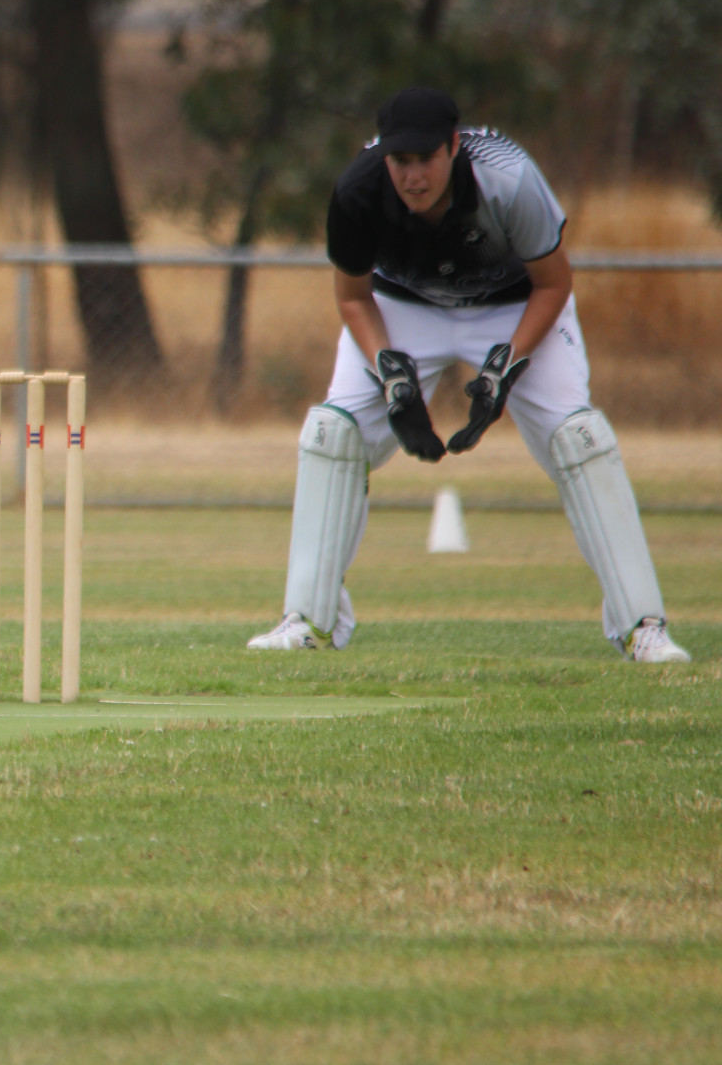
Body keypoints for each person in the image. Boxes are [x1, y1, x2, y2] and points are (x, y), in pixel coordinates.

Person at [248, 86, 692, 664]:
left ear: (453, 147)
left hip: (515, 303)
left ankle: (642, 627)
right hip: (401, 306)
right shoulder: (358, 191)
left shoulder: (508, 178)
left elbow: (554, 283)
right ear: (383, 155)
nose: (413, 176)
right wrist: (390, 370)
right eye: (400, 161)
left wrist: (507, 364)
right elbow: (353, 297)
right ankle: (308, 620)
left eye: (425, 158)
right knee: (332, 434)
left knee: (580, 439)